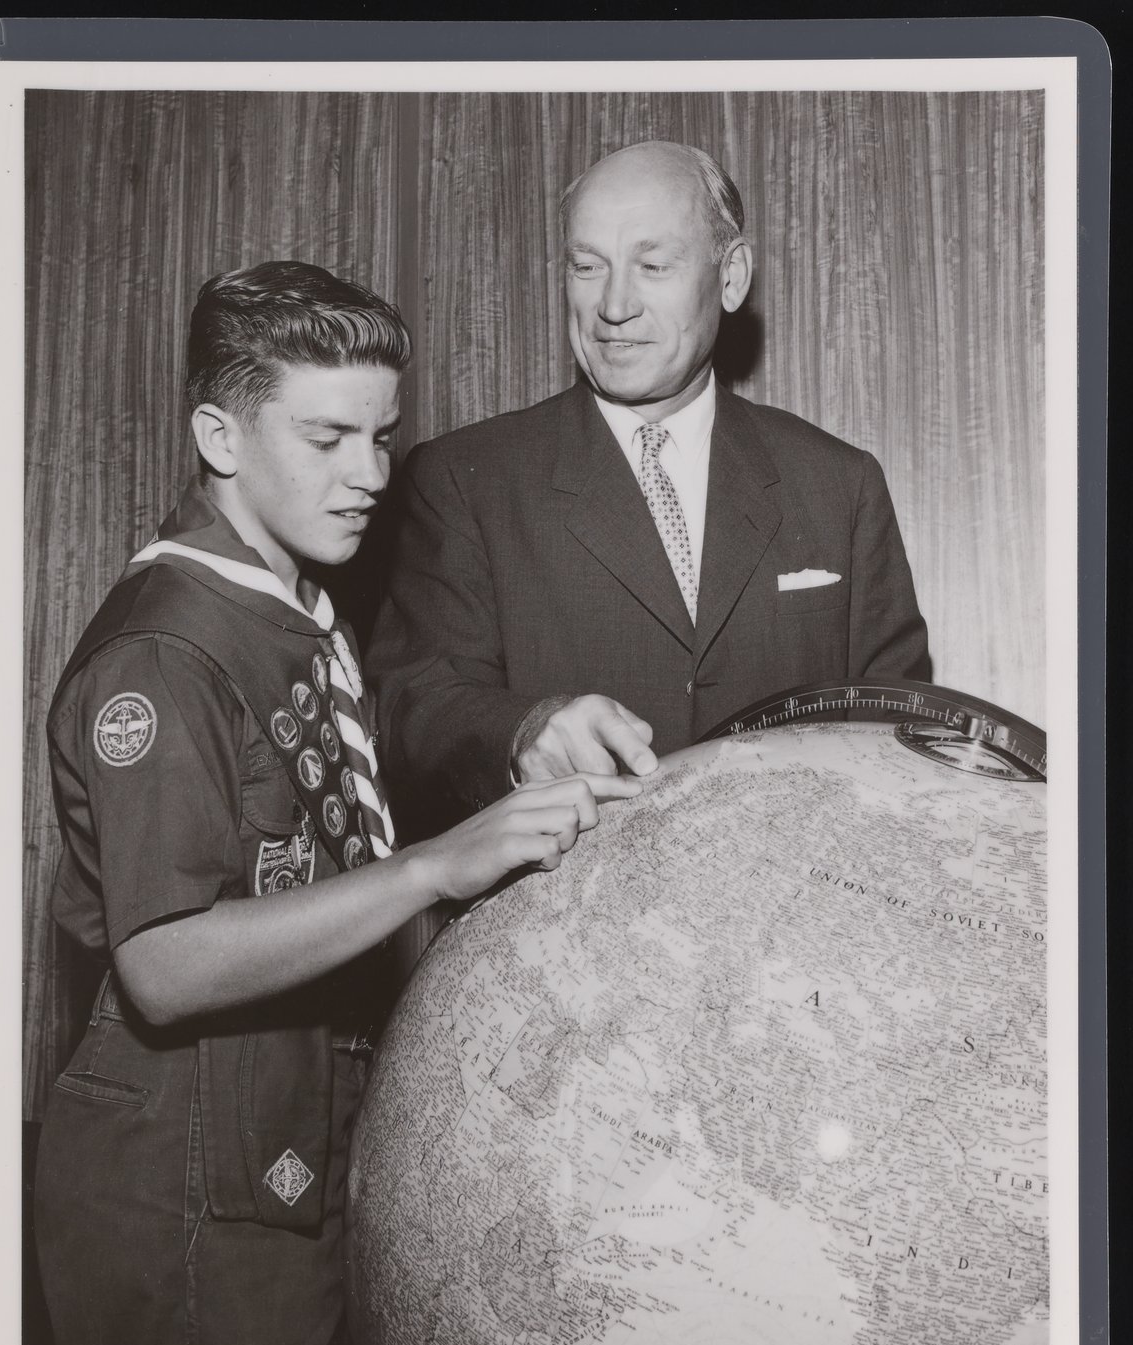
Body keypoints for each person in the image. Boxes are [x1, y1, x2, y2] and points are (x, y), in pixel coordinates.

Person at [33, 261, 640, 1345]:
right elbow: (162, 962)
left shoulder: (298, 612)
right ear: (219, 437)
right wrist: (429, 868)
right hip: (186, 1185)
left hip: (285, 1149)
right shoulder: (165, 649)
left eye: (381, 436)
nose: (368, 474)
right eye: (326, 439)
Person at [367, 141, 930, 832]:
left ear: (731, 277)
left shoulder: (839, 484)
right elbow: (412, 706)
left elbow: (901, 742)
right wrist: (522, 732)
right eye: (587, 266)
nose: (613, 305)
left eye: (653, 266)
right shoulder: (463, 479)